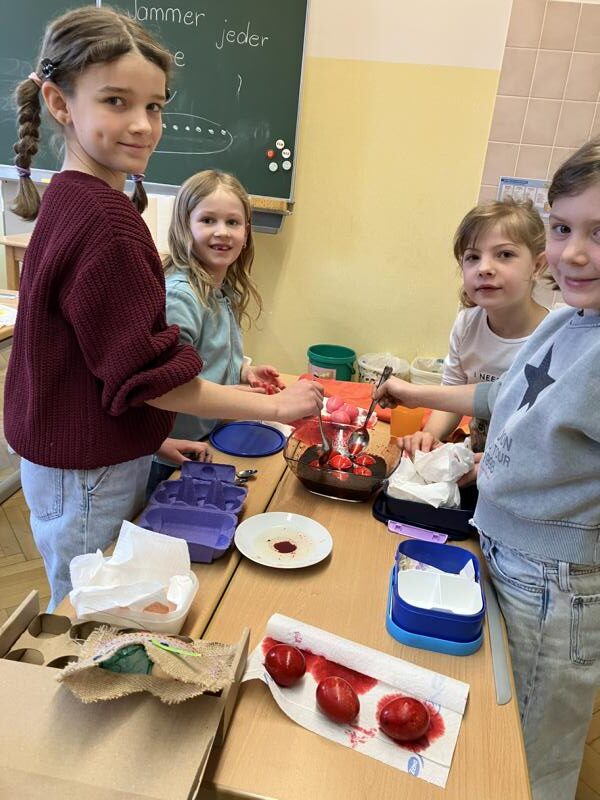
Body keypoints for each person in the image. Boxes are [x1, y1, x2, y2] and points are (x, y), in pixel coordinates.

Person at [5, 6, 322, 611]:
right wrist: (277, 406)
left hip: (77, 461)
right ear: (60, 102)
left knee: (86, 591)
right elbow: (155, 381)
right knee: (87, 606)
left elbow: (99, 364)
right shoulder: (108, 223)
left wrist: (149, 442)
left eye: (153, 106)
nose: (143, 125)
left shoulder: (70, 199)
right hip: (86, 472)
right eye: (116, 102)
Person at [374, 137, 600, 800]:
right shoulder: (570, 324)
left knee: (535, 740)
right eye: (563, 228)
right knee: (501, 711)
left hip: (556, 577)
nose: (574, 253)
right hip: (504, 544)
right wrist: (413, 394)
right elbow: (503, 395)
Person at [147, 170, 284, 494]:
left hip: (209, 439)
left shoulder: (221, 289)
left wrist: (243, 371)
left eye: (232, 222)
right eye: (208, 220)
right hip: (173, 453)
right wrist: (242, 399)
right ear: (184, 227)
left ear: (246, 232)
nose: (222, 232)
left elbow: (206, 358)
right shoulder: (181, 297)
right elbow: (167, 386)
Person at [404, 199, 548, 485]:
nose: (485, 268)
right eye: (472, 257)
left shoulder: (554, 338)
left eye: (505, 254)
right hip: (475, 464)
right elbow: (451, 397)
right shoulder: (466, 324)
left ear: (537, 265)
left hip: (526, 481)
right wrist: (429, 436)